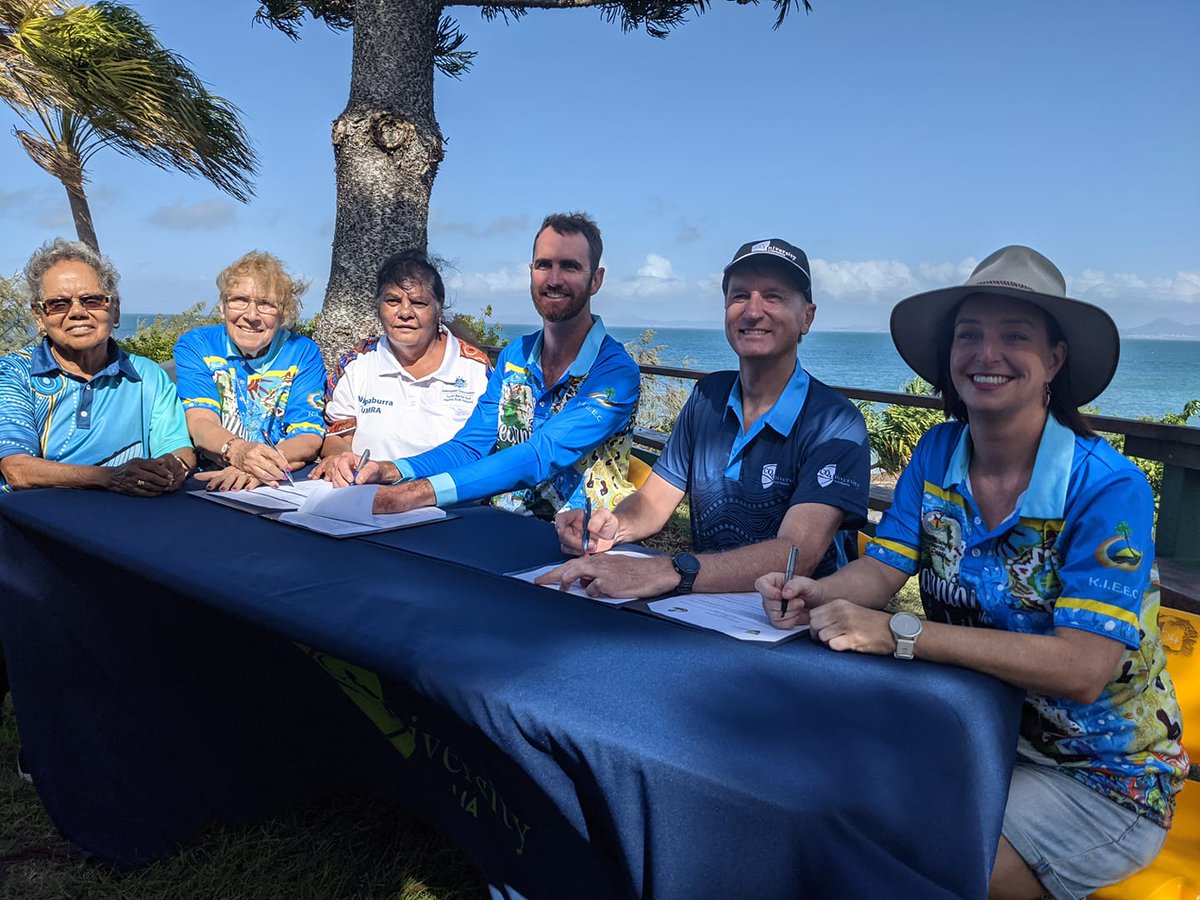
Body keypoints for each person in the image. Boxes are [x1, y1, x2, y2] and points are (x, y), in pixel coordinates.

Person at [757, 245, 1188, 899]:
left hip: (1102, 780)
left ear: (1055, 359)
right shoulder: (936, 453)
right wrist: (815, 591)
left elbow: (1083, 667)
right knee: (808, 798)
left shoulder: (1107, 487)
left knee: (901, 875)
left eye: (1014, 336)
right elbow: (882, 567)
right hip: (972, 737)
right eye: (969, 335)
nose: (987, 355)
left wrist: (904, 634)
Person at [540, 238, 870, 599]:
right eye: (740, 296)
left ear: (807, 316)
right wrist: (613, 526)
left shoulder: (834, 422)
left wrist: (670, 570)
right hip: (705, 607)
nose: (753, 311)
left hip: (798, 624)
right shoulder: (707, 397)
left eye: (773, 296)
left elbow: (796, 555)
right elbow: (653, 502)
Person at [345, 212, 639, 517]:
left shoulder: (615, 373)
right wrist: (389, 470)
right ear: (530, 272)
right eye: (543, 265)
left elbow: (541, 454)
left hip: (584, 543)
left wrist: (417, 494)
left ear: (596, 280)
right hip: (501, 527)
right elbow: (470, 447)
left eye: (570, 267)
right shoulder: (516, 357)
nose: (553, 279)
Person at [0, 238, 195, 494]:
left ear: (114, 310)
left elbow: (177, 446)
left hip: (124, 522)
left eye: (92, 300)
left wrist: (175, 465)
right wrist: (110, 477)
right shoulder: (14, 373)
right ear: (39, 317)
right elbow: (17, 470)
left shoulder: (147, 375)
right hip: (33, 524)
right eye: (59, 304)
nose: (77, 312)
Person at [311, 250, 490, 482]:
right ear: (378, 306)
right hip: (367, 497)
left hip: (453, 504)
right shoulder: (356, 365)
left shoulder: (476, 370)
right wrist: (340, 459)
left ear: (439, 308)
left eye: (419, 302)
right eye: (393, 301)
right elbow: (337, 435)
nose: (405, 312)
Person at [173, 251, 326, 491]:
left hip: (276, 481)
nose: (251, 315)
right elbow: (201, 422)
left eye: (266, 304)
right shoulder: (198, 345)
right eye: (240, 300)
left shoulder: (302, 352)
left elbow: (308, 436)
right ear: (223, 306)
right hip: (212, 479)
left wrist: (257, 465)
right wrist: (238, 451)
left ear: (284, 314)